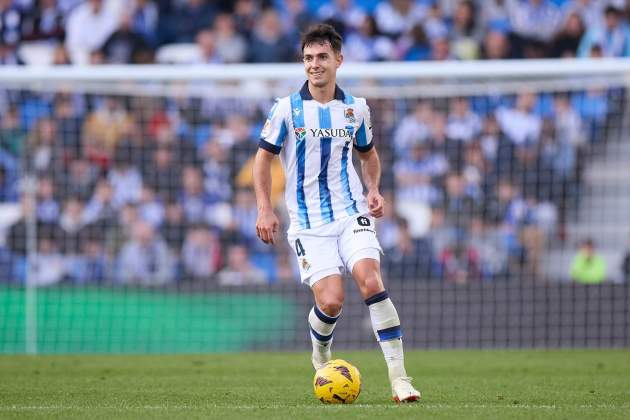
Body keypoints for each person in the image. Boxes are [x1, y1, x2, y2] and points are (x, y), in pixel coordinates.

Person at [252, 23, 420, 403]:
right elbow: (262, 161)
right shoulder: (286, 109)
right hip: (308, 224)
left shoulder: (355, 108)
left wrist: (373, 188)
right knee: (330, 301)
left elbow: (369, 155)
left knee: (371, 282)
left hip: (350, 213)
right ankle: (321, 353)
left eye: (322, 57)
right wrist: (264, 208)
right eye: (308, 58)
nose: (314, 64)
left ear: (338, 60)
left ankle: (400, 378)